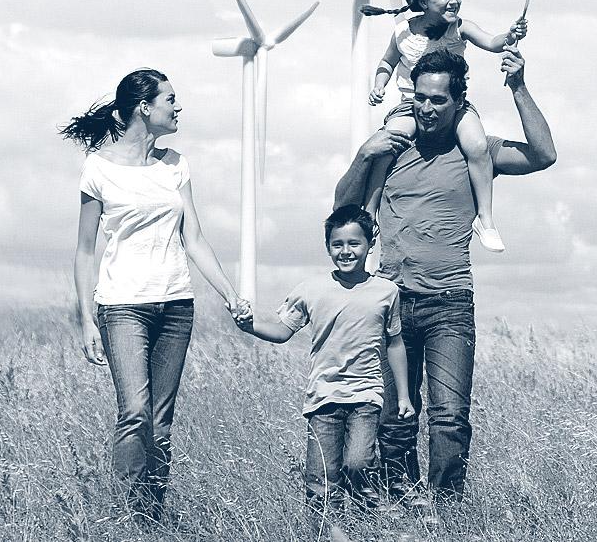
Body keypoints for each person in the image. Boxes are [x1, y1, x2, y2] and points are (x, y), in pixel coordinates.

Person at [333, 46, 556, 508]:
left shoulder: (476, 151)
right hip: (391, 300)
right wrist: (362, 154)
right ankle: (402, 507)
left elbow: (543, 154)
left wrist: (517, 86)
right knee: (395, 419)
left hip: (449, 302)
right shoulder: (392, 146)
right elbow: (343, 208)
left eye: (438, 100)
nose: (427, 108)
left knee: (449, 416)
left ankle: (447, 511)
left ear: (459, 103)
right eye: (421, 97)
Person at [60, 68, 249, 522]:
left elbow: (195, 238)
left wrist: (230, 294)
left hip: (177, 304)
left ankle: (151, 520)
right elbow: (85, 250)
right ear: (145, 107)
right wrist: (86, 318)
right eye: (171, 99)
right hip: (122, 305)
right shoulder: (99, 168)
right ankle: (124, 520)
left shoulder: (175, 163)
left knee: (160, 427)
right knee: (136, 413)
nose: (178, 107)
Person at [234, 205, 414, 516]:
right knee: (320, 478)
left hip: (366, 394)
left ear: (370, 243)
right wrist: (249, 326)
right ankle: (325, 528)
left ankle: (365, 515)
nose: (346, 251)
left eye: (354, 243)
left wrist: (404, 395)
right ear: (328, 247)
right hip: (323, 396)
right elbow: (282, 331)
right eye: (337, 244)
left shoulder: (386, 292)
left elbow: (395, 344)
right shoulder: (311, 289)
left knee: (358, 462)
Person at [361, 0, 528, 253]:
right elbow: (387, 62)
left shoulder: (460, 27)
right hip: (411, 105)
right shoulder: (403, 31)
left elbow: (492, 42)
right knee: (387, 144)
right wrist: (379, 84)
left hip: (454, 105)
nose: (455, 0)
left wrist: (511, 35)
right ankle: (370, 212)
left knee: (477, 146)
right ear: (424, 1)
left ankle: (485, 219)